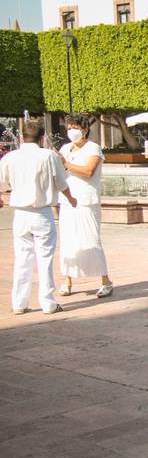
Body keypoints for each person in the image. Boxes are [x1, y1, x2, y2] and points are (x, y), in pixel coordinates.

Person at [0, 121, 77, 315]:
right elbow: (61, 182)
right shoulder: (48, 156)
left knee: (22, 258)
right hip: (41, 212)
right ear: (42, 137)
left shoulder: (10, 157)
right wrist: (71, 198)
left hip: (20, 214)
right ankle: (48, 303)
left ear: (21, 136)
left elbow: (1, 183)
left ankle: (19, 303)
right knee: (45, 259)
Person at [57, 114, 114, 298]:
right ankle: (67, 280)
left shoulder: (93, 148)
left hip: (86, 200)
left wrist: (66, 164)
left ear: (84, 129)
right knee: (67, 241)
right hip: (67, 201)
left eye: (75, 127)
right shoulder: (65, 148)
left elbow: (89, 171)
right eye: (69, 127)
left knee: (91, 239)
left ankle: (105, 280)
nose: (71, 131)